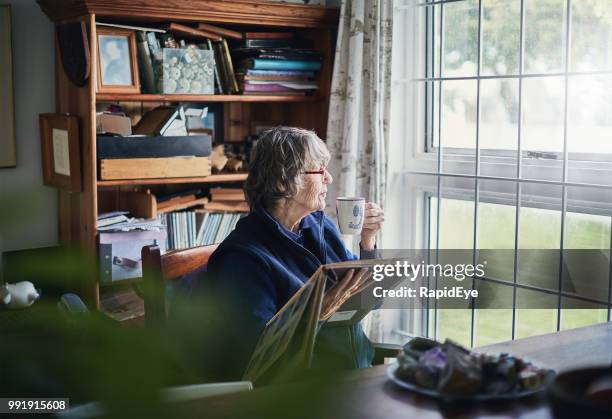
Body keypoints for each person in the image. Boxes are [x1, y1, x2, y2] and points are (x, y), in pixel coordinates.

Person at [202, 126, 385, 380]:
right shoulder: (242, 258)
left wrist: (368, 243)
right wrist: (317, 314)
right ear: (282, 180)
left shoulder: (320, 225)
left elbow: (371, 300)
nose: (329, 178)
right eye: (319, 170)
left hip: (357, 376)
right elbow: (258, 358)